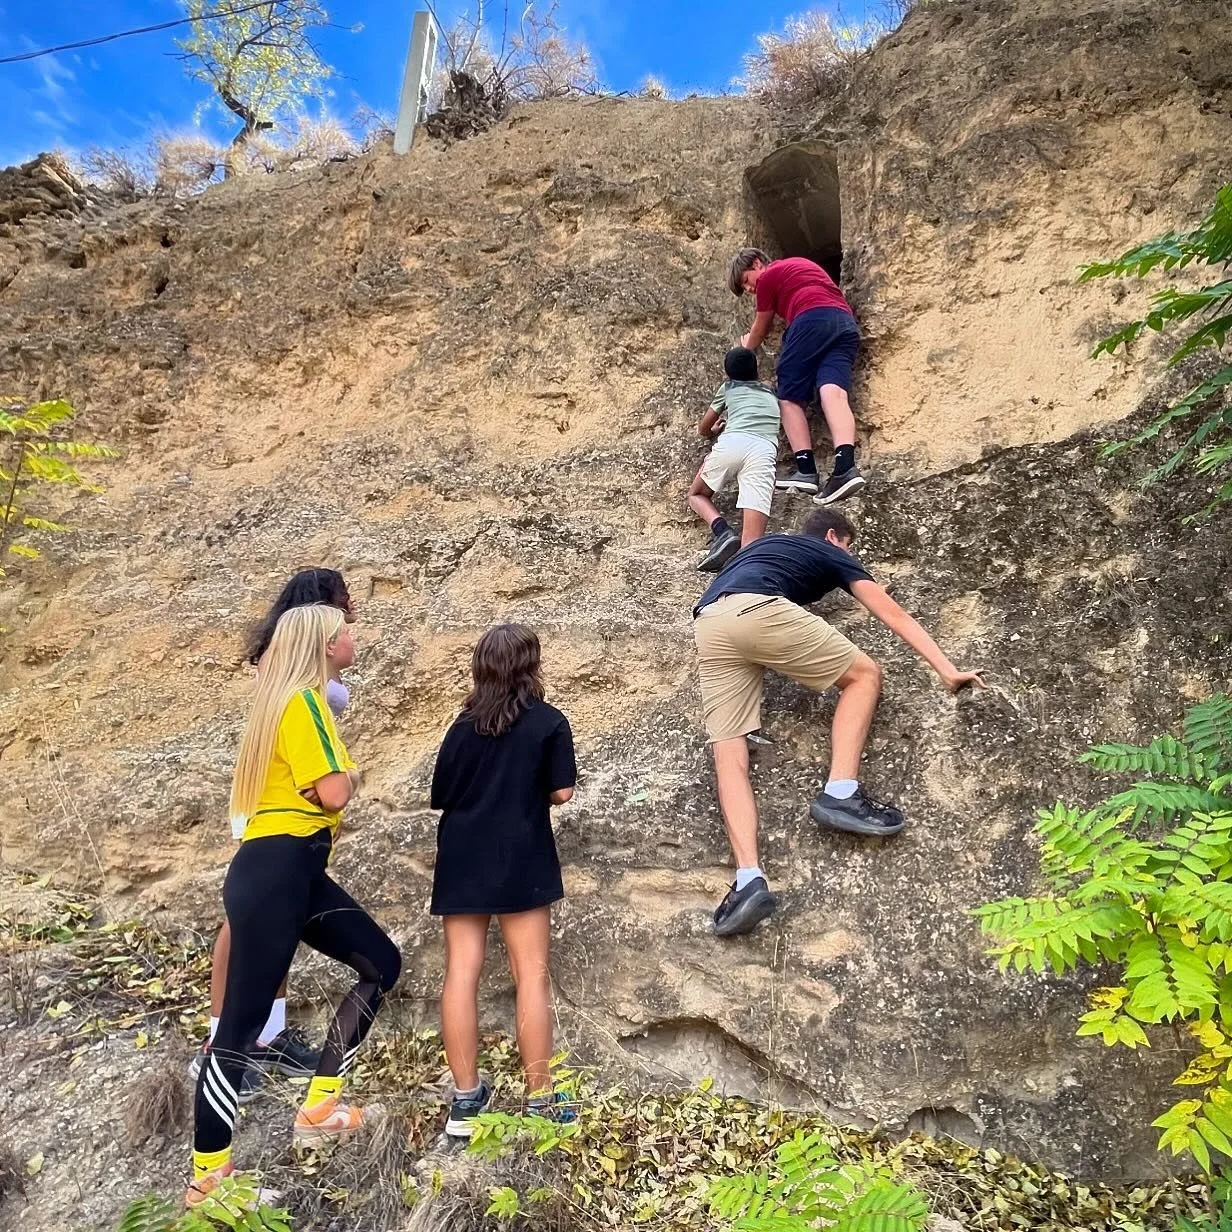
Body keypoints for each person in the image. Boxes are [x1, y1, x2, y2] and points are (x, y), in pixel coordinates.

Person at [187, 604, 401, 1207]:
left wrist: (335, 783)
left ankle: (320, 1104)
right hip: (277, 870)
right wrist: (350, 777)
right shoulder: (303, 702)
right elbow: (333, 791)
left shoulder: (287, 702)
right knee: (239, 1027)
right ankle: (208, 1181)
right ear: (326, 645)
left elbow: (323, 792)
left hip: (294, 870)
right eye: (347, 632)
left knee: (381, 963)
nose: (354, 637)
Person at [692, 508, 985, 938]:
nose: (849, 554)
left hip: (708, 621)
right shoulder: (827, 550)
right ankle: (841, 792)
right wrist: (945, 668)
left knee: (728, 750)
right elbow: (893, 613)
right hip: (758, 611)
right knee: (864, 675)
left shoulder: (761, 551)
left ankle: (748, 878)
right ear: (834, 536)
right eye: (849, 546)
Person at [189, 569, 357, 1092]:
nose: (351, 613)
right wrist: (348, 776)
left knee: (267, 923)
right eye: (342, 604)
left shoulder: (287, 664)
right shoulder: (289, 669)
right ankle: (226, 1041)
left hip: (284, 785)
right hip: (275, 790)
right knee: (244, 922)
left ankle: (266, 1033)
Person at [429, 624, 577, 1139]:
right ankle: (540, 1099)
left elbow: (442, 792)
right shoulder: (548, 722)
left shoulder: (461, 726)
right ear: (531, 665)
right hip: (521, 853)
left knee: (460, 973)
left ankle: (466, 1101)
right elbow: (561, 793)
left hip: (462, 854)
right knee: (530, 974)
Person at [728, 247, 865, 505]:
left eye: (746, 281)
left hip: (812, 319)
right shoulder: (799, 265)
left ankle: (806, 470)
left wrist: (745, 348)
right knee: (832, 391)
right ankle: (845, 467)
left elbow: (761, 325)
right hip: (844, 323)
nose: (749, 290)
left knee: (788, 395)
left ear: (757, 264)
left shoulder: (770, 275)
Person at [688, 346, 782, 573]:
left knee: (696, 494)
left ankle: (722, 532)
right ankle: (745, 574)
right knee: (752, 543)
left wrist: (714, 429)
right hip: (764, 450)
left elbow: (704, 428)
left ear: (728, 373)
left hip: (732, 442)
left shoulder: (728, 388)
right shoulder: (770, 392)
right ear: (756, 371)